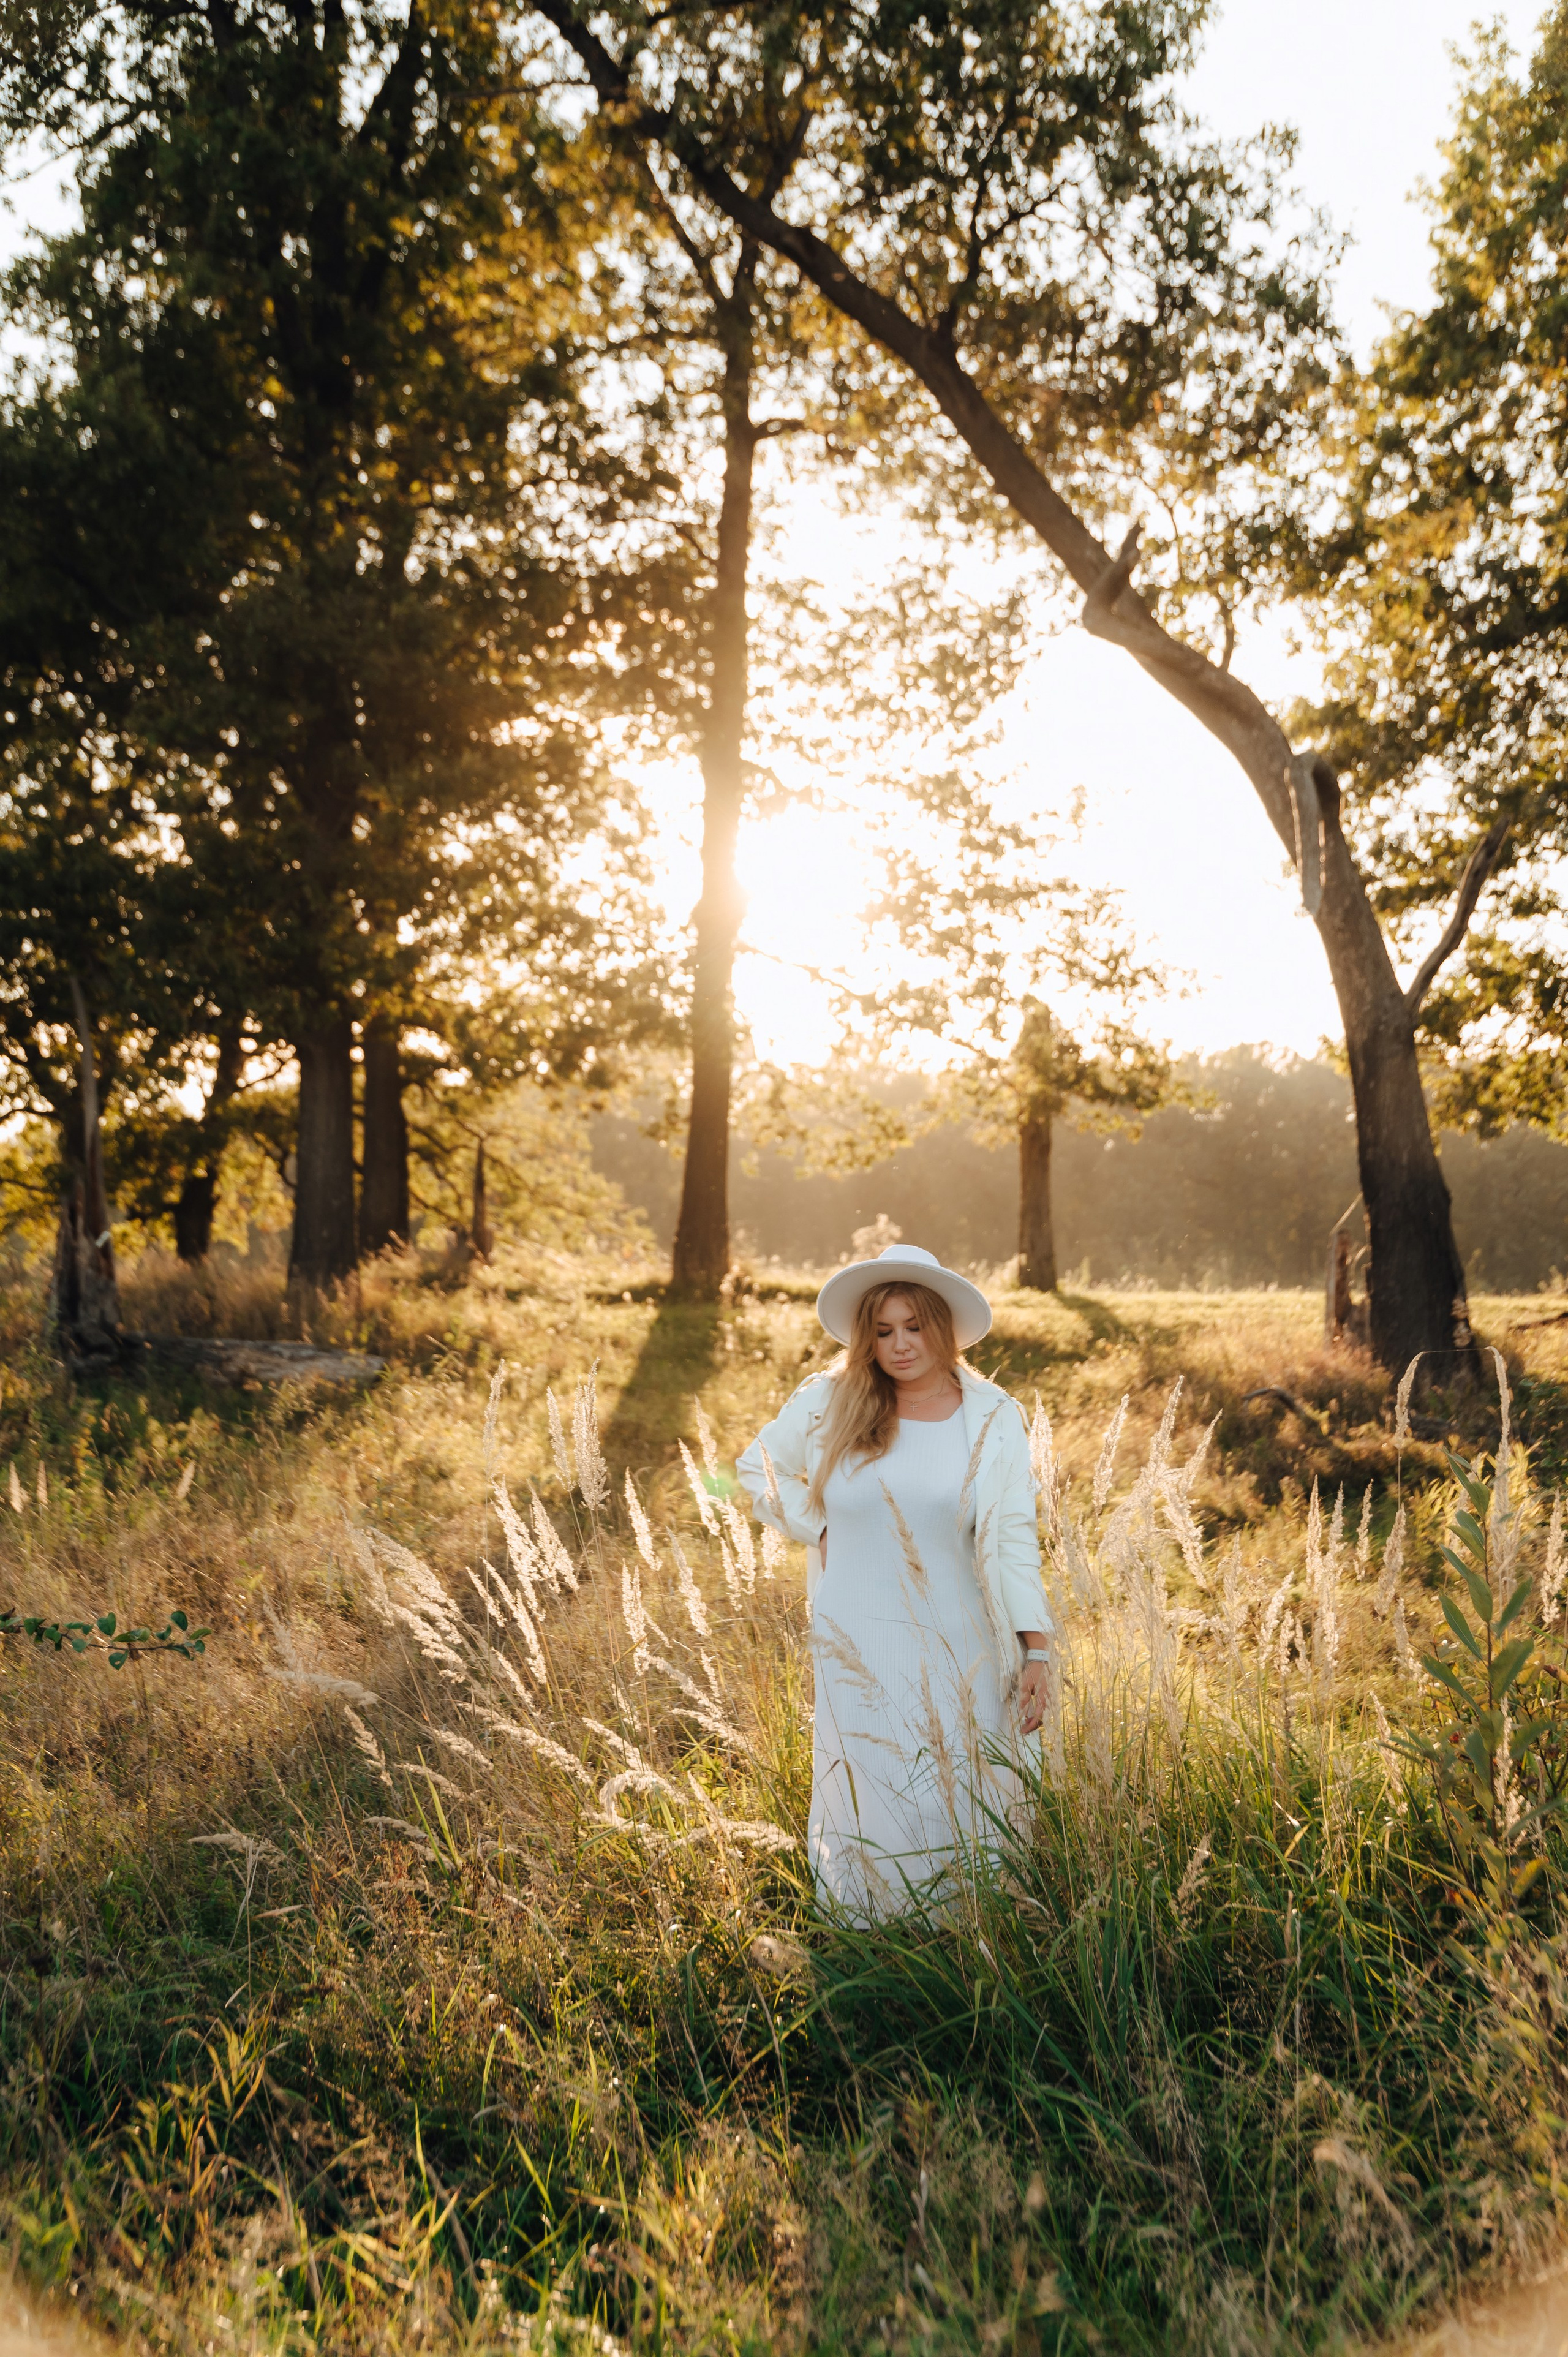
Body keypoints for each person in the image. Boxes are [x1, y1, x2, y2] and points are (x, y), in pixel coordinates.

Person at [737, 1242, 1054, 1920]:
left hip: (959, 1633)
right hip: (854, 1631)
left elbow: (1013, 1537)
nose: (900, 1345)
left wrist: (1037, 1648)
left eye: (914, 1326)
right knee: (872, 1778)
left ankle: (962, 1928)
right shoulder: (830, 1399)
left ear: (941, 1326)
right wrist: (815, 1528)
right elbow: (750, 1467)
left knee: (955, 1778)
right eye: (883, 1331)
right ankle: (867, 1927)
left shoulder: (993, 1416)